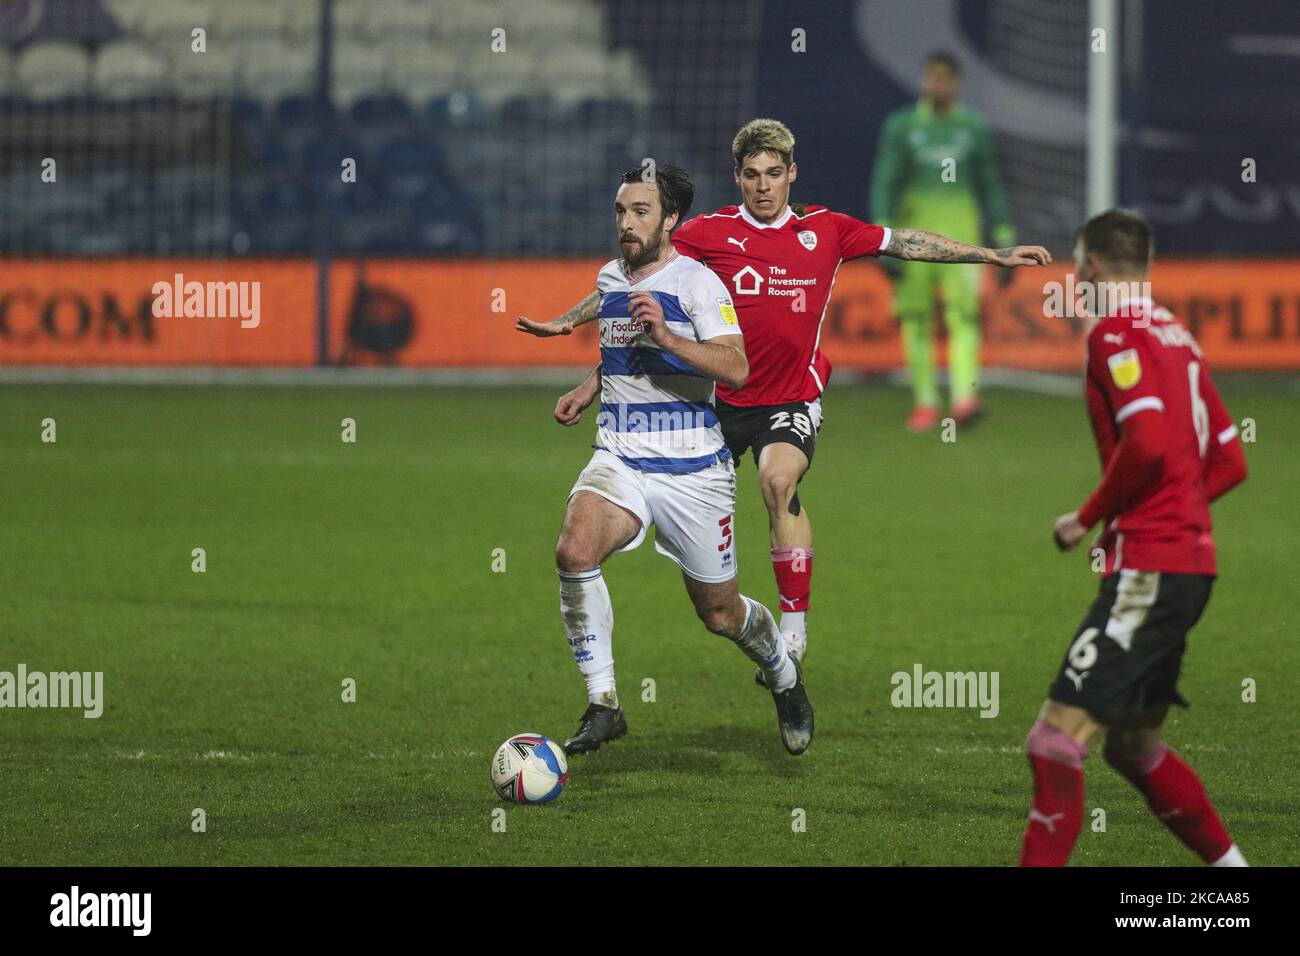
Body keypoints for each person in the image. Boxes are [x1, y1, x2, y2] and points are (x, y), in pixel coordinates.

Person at [521, 119, 1049, 683]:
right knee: (710, 592)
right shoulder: (708, 232)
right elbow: (629, 288)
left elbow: (909, 242)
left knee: (777, 483)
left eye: (774, 174)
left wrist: (991, 255)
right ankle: (724, 611)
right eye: (752, 175)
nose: (763, 186)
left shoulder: (828, 230)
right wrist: (582, 355)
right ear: (738, 178)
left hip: (788, 399)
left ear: (792, 173)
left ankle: (793, 633)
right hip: (717, 403)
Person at [526, 164, 813, 757]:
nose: (626, 225)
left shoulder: (699, 284)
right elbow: (619, 344)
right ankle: (603, 703)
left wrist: (670, 338)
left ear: (670, 220)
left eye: (640, 213)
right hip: (621, 457)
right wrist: (589, 385)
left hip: (694, 472)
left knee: (720, 613)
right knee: (573, 549)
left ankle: (784, 676)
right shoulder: (610, 276)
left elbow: (736, 369)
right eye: (621, 212)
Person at [1019, 209, 1249, 867]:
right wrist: (1177, 514)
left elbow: (1146, 441)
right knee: (1130, 745)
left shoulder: (1112, 332)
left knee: (1053, 742)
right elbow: (1231, 461)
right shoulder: (1179, 336)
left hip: (1149, 569)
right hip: (1189, 567)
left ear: (1090, 265)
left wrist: (1086, 517)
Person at [870, 52, 1016, 431]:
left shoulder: (973, 128)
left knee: (964, 317)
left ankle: (965, 399)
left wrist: (1003, 233)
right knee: (916, 320)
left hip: (962, 241)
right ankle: (926, 402)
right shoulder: (902, 127)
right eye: (932, 78)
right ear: (923, 81)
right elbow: (886, 181)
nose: (938, 85)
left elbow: (989, 184)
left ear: (957, 83)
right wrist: (882, 233)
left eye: (945, 79)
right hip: (913, 241)